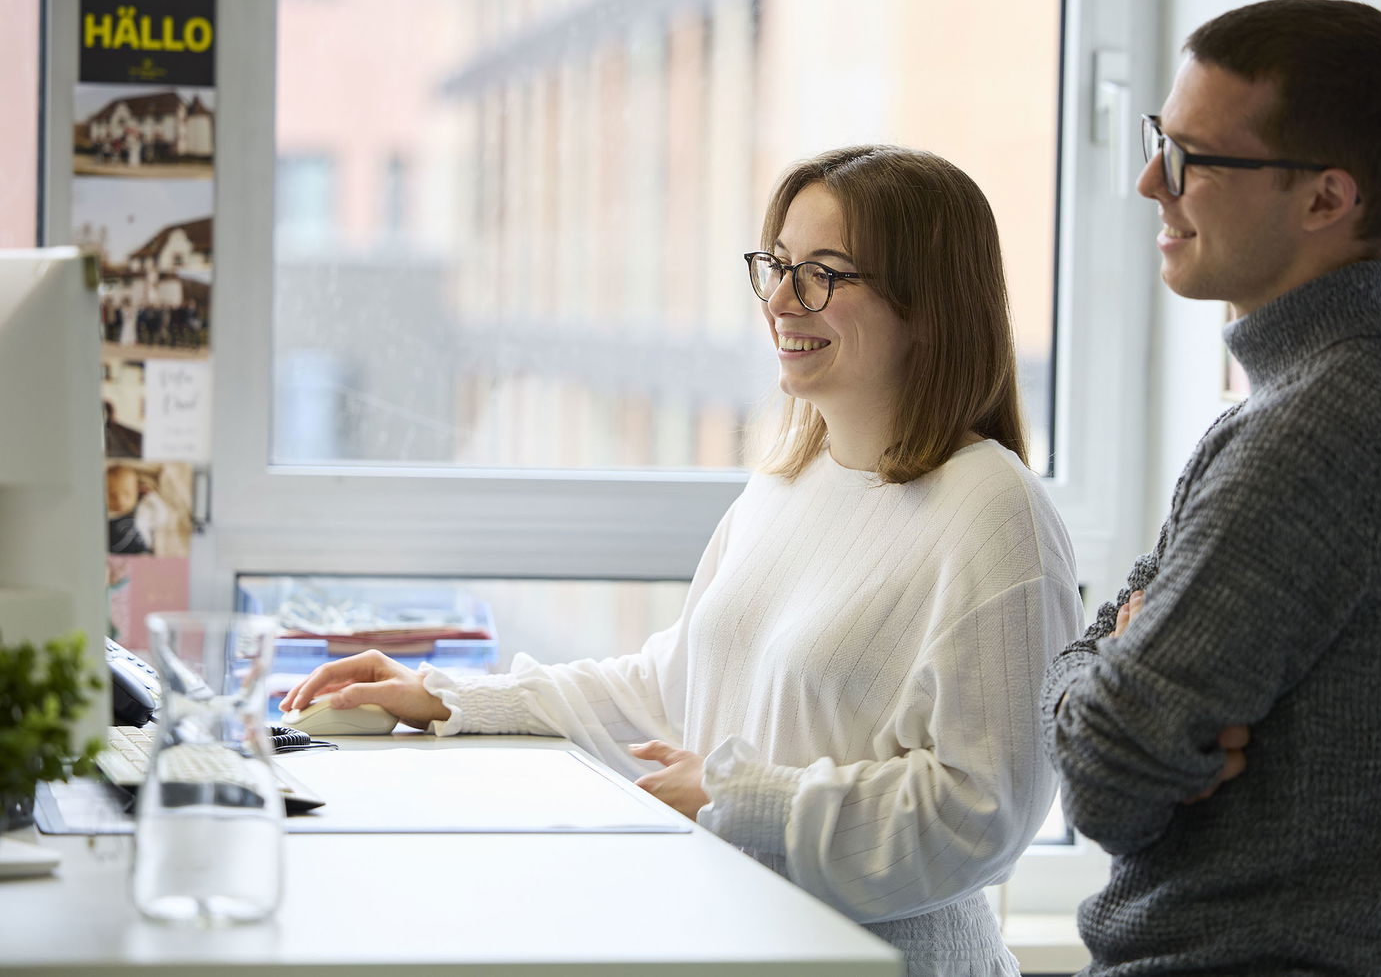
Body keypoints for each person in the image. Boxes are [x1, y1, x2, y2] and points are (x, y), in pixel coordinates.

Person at [283, 145, 1084, 977]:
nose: (779, 300)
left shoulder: (995, 516)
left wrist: (740, 799)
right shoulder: (792, 479)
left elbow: (981, 816)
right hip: (739, 942)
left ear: (930, 304)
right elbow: (670, 688)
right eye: (776, 265)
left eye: (822, 273)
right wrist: (447, 700)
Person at [1040, 0, 1381, 977]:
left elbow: (1101, 781)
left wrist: (1110, 656)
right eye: (1161, 138)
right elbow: (1105, 723)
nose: (1151, 180)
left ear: (1326, 199)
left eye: (1194, 157)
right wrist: (1104, 663)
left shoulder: (1316, 433)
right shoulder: (1299, 406)